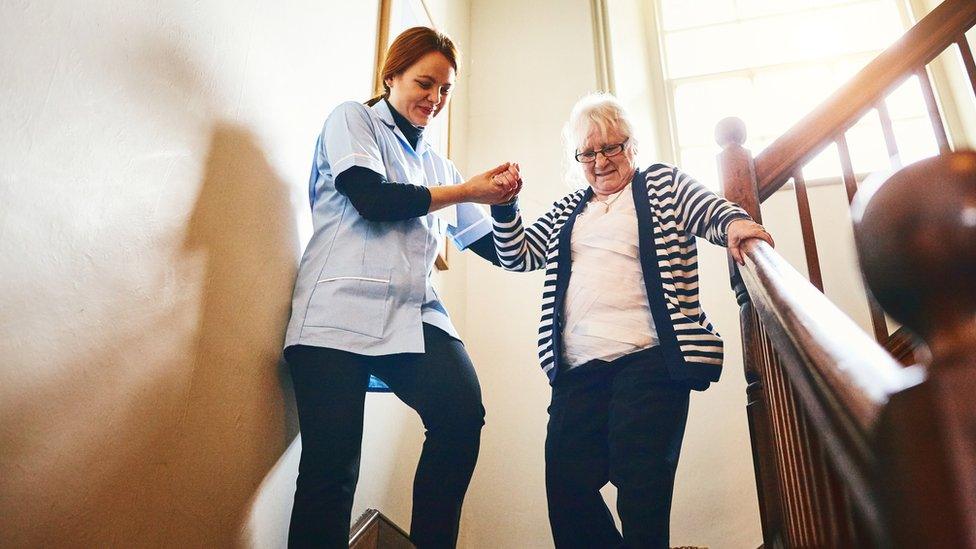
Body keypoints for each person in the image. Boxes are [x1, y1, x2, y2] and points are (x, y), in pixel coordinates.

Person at [488, 92, 774, 548]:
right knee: (566, 484)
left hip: (650, 359)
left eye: (611, 147)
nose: (600, 160)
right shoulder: (569, 209)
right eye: (588, 152)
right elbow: (517, 254)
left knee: (641, 485)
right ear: (577, 158)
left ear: (631, 146)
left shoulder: (661, 183)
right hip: (578, 368)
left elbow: (708, 209)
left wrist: (736, 224)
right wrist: (505, 207)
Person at [282, 26, 518, 548]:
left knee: (461, 417)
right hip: (334, 315)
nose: (434, 99)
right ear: (392, 76)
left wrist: (506, 202)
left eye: (444, 90)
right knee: (333, 469)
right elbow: (372, 198)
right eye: (424, 83)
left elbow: (500, 250)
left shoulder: (438, 163)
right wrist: (467, 190)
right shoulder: (353, 120)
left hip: (412, 314)